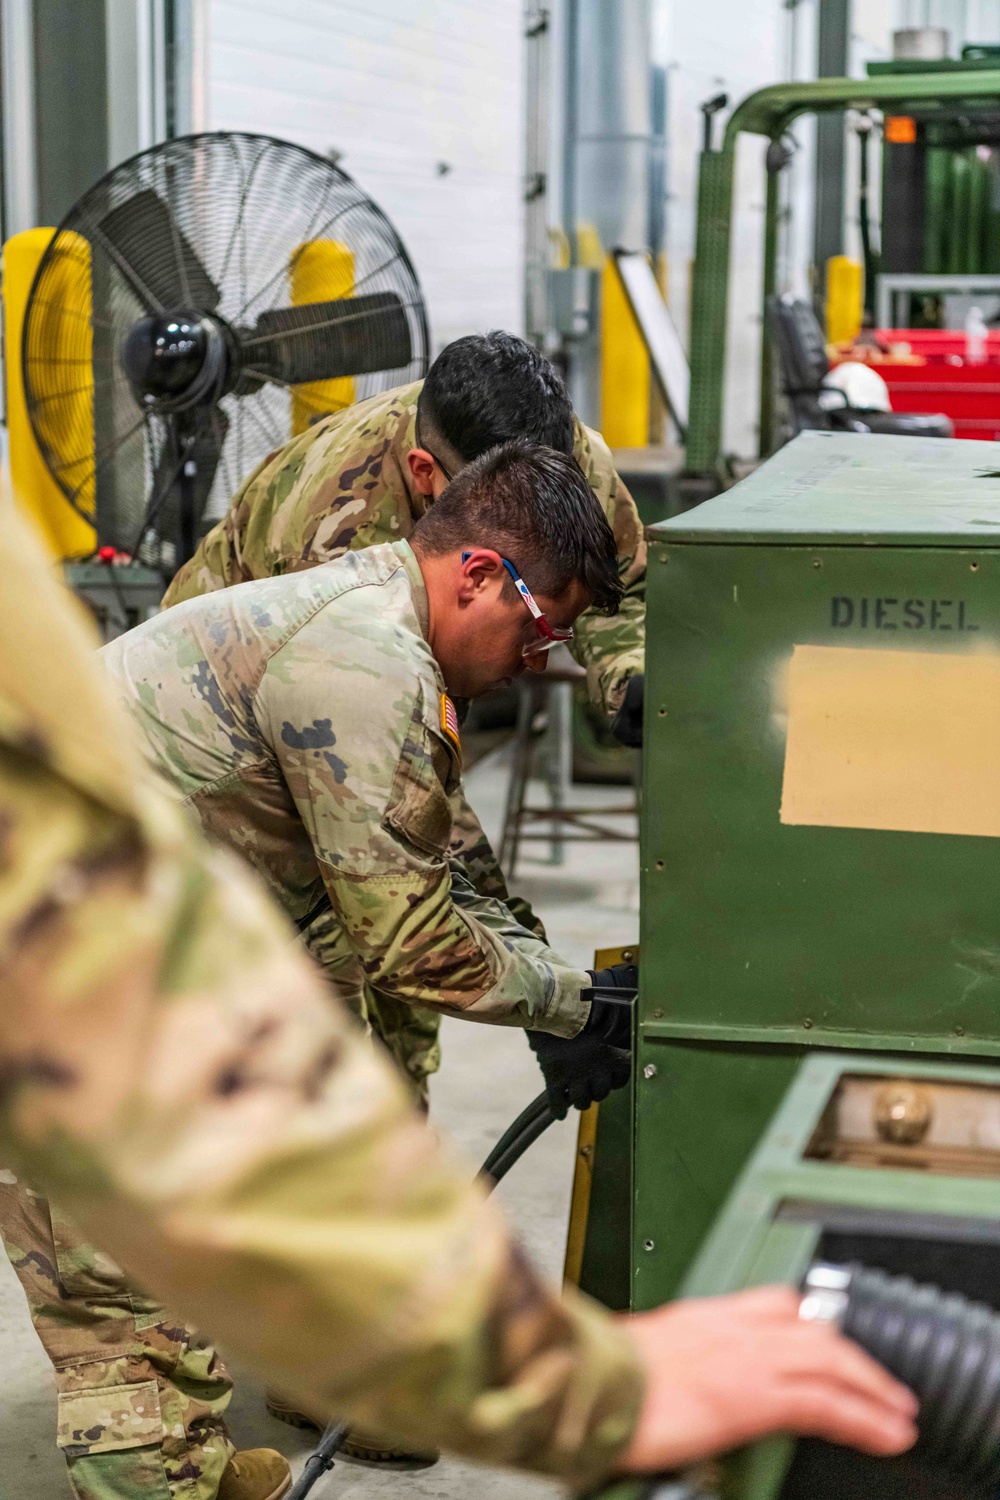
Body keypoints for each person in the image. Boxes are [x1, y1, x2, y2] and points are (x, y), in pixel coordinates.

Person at [0, 506, 919, 1500]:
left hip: (122, 928)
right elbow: (408, 942)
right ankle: (161, 1476)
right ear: (477, 574)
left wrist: (557, 984)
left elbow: (429, 867)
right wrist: (574, 1009)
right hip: (57, 970)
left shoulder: (382, 626)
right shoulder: (361, 661)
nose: (535, 661)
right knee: (123, 1290)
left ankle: (199, 1461)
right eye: (539, 626)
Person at [163, 332, 645, 1094]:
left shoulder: (555, 457)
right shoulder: (339, 548)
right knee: (320, 1015)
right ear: (430, 478)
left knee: (389, 1030)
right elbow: (411, 882)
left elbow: (618, 584)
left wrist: (628, 678)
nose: (537, 663)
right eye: (534, 632)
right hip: (230, 766)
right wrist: (557, 1006)